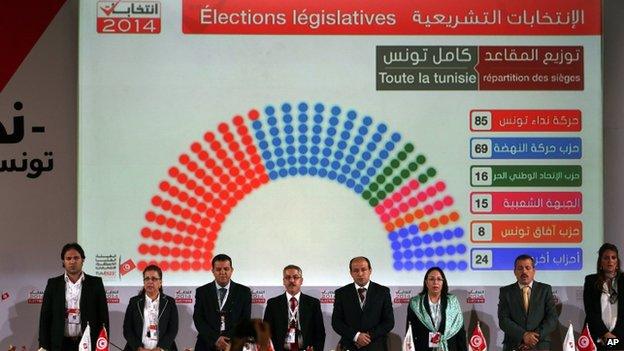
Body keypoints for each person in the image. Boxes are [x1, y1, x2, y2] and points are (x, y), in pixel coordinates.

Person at [38, 242, 109, 351]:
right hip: (60, 344)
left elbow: (103, 317)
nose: (72, 261)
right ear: (63, 261)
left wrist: (103, 343)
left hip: (88, 342)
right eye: (68, 258)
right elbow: (45, 318)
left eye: (76, 258)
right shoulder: (53, 284)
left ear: (83, 260)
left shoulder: (96, 283)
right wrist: (43, 345)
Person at [331, 256, 394, 351]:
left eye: (363, 269)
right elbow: (336, 322)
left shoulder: (383, 291)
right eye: (356, 270)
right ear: (351, 273)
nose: (360, 274)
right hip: (350, 346)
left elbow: (389, 322)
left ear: (370, 270)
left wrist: (368, 336)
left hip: (376, 346)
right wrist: (356, 336)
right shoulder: (341, 293)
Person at [498, 254, 557, 351]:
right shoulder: (506, 292)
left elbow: (552, 318)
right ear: (514, 272)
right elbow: (503, 320)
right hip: (514, 345)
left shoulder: (545, 289)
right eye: (520, 268)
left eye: (527, 268)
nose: (524, 271)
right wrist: (523, 335)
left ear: (534, 271)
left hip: (540, 344)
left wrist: (533, 338)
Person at [194, 254, 252, 351]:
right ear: (213, 271)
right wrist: (216, 339)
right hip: (206, 344)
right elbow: (198, 319)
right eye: (218, 269)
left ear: (231, 270)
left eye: (226, 269)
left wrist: (226, 340)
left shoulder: (244, 292)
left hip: (234, 344)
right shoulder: (202, 291)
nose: (222, 272)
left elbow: (245, 320)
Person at [263, 264, 325, 351]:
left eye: (296, 277)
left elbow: (320, 332)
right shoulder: (273, 304)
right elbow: (266, 332)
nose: (292, 280)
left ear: (301, 280)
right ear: (283, 281)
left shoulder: (313, 303)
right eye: (288, 277)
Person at [406, 267, 466, 350]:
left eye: (439, 279)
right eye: (431, 279)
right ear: (426, 282)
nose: (435, 282)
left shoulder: (452, 302)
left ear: (443, 282)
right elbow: (410, 333)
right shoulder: (415, 303)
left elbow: (460, 332)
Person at [123, 264, 178, 351]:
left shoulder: (169, 302)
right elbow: (127, 329)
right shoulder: (134, 302)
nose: (150, 282)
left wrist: (161, 348)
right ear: (144, 282)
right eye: (147, 278)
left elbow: (173, 329)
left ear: (160, 282)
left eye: (154, 279)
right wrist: (138, 348)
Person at [583, 243, 624, 349]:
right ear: (600, 262)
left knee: (614, 346)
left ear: (617, 262)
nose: (610, 261)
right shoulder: (591, 281)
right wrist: (605, 334)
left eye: (613, 258)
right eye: (606, 258)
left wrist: (614, 337)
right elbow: (590, 311)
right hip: (598, 337)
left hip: (619, 337)